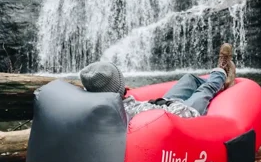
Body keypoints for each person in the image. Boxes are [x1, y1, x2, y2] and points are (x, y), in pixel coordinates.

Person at [79, 43, 236, 120]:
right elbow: (183, 114)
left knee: (189, 79)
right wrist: (168, 104)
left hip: (162, 106)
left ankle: (219, 78)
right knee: (204, 90)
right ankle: (221, 73)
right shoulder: (128, 111)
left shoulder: (94, 104)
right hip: (180, 114)